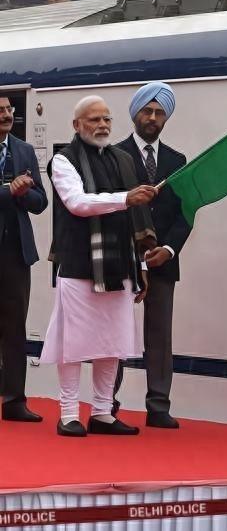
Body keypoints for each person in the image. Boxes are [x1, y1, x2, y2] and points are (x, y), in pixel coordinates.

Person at [43, 95, 158, 437]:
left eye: (107, 119)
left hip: (120, 264)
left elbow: (136, 218)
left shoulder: (123, 159)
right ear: (77, 125)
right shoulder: (63, 160)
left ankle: (102, 413)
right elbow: (77, 203)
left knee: (112, 341)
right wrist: (125, 198)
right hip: (79, 264)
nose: (103, 125)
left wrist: (142, 267)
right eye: (94, 120)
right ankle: (68, 413)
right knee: (73, 343)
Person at [112, 82, 190, 428]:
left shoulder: (177, 161)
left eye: (159, 113)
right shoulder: (114, 156)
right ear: (136, 114)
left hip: (162, 262)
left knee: (160, 336)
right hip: (121, 260)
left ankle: (158, 406)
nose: (153, 118)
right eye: (147, 111)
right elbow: (108, 208)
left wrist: (169, 249)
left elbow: (186, 213)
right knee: (115, 332)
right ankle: (106, 403)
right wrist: (134, 251)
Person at [0, 96, 47, 422]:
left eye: (9, 110)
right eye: (0, 111)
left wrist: (24, 193)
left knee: (15, 327)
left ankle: (14, 401)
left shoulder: (25, 150)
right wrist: (10, 191)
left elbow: (40, 202)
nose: (6, 115)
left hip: (16, 253)